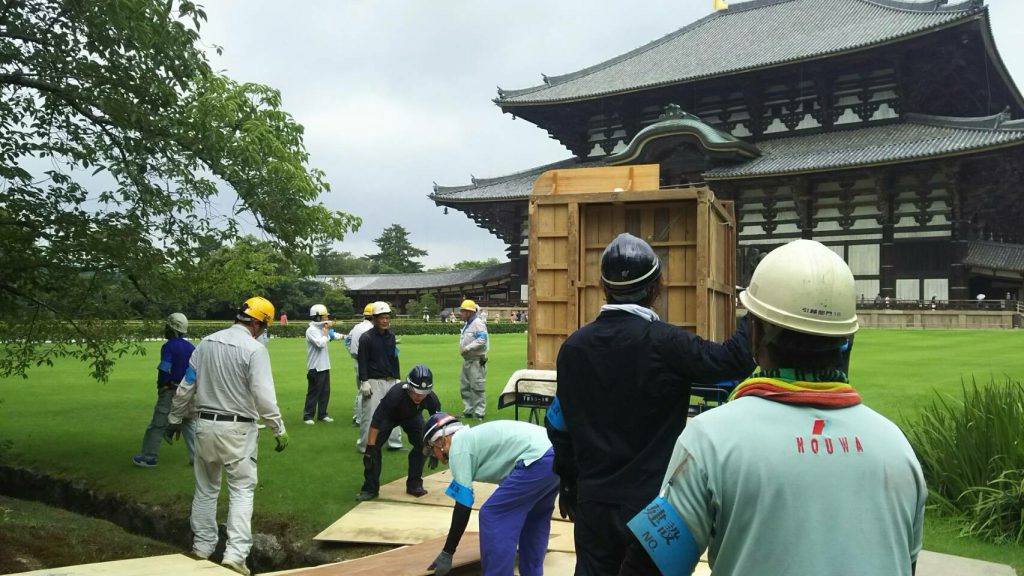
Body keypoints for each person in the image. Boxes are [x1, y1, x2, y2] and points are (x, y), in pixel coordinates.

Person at [619, 239, 927, 576]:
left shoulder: (711, 440)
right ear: (847, 341)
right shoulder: (897, 447)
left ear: (754, 334)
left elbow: (647, 568)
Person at [547, 232, 755, 576]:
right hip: (653, 509)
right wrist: (754, 306)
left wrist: (567, 481)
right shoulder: (668, 344)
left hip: (593, 502)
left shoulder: (573, 348)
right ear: (658, 286)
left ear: (603, 286)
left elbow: (558, 425)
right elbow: (732, 361)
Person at [165, 296, 290, 576]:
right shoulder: (254, 350)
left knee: (206, 489)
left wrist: (174, 419)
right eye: (264, 326)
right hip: (238, 429)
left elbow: (186, 387)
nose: (263, 331)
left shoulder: (206, 343)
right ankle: (235, 555)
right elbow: (264, 396)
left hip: (204, 426)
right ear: (257, 322)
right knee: (242, 491)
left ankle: (202, 547)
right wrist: (278, 428)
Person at [424, 414, 559, 576]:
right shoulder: (474, 438)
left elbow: (463, 505)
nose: (436, 457)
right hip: (556, 455)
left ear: (441, 441)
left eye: (432, 451)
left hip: (536, 458)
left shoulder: (458, 446)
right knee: (534, 518)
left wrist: (448, 552)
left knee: (493, 514)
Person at [356, 364, 441, 501]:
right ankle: (370, 489)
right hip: (390, 417)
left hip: (413, 416)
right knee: (373, 450)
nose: (419, 397)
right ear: (409, 387)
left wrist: (435, 448)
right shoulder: (395, 394)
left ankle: (414, 484)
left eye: (423, 394)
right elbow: (377, 420)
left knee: (423, 445)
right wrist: (370, 447)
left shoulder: (431, 399)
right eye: (416, 392)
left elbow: (436, 424)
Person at [132, 312, 196, 468]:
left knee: (157, 424)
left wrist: (162, 385)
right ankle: (198, 458)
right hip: (187, 391)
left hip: (170, 390)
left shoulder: (168, 346)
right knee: (188, 423)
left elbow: (165, 368)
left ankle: (148, 457)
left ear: (173, 328)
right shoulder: (191, 347)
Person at [356, 301, 403, 453]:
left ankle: (395, 443)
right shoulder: (366, 338)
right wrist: (364, 381)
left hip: (390, 380)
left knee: (394, 412)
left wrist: (397, 378)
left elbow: (394, 358)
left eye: (387, 317)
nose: (385, 321)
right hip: (373, 381)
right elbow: (362, 361)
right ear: (374, 319)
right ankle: (365, 446)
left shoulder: (391, 336)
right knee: (369, 414)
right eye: (381, 318)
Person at [303, 303, 344, 425]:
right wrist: (326, 332)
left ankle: (322, 414)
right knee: (314, 392)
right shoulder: (311, 330)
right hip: (315, 367)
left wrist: (346, 336)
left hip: (325, 366)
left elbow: (333, 336)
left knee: (325, 392)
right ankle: (308, 416)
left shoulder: (322, 329)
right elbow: (320, 344)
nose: (327, 318)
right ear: (317, 317)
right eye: (325, 316)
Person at [458, 299, 489, 420]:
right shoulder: (468, 323)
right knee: (465, 386)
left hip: (476, 360)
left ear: (469, 312)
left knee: (477, 386)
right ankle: (468, 410)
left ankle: (479, 412)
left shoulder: (478, 323)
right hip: (467, 360)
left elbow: (482, 339)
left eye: (463, 311)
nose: (461, 313)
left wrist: (468, 348)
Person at [347, 303, 376, 426]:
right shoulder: (370, 329)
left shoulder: (356, 327)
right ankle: (360, 419)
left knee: (361, 390)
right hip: (368, 363)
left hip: (357, 361)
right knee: (365, 391)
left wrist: (352, 353)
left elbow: (347, 341)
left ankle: (357, 416)